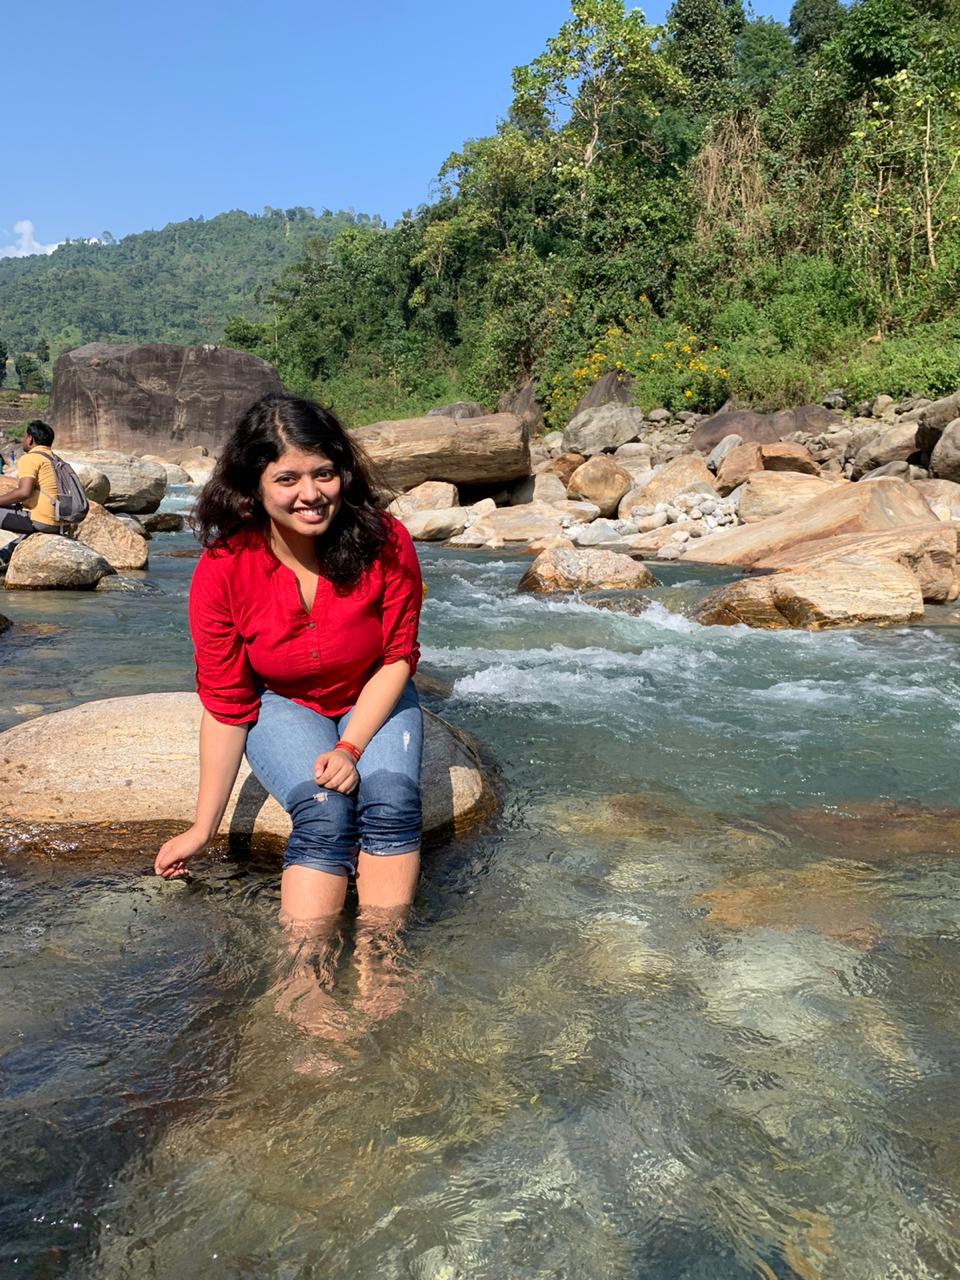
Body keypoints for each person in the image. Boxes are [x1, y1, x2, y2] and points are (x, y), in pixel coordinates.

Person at [154, 393, 425, 942]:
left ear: (343, 473)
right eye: (287, 479)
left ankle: (385, 961)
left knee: (392, 800)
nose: (311, 495)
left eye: (324, 474)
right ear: (252, 486)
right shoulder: (224, 567)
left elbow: (397, 655)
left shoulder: (385, 541)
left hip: (375, 690)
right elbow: (228, 703)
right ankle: (305, 976)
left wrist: (351, 747)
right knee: (324, 810)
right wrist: (202, 827)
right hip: (284, 699)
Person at [0, 420, 66, 538]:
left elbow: (24, 492)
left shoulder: (31, 458)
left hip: (41, 521)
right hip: (59, 522)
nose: (23, 440)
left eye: (24, 437)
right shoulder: (56, 459)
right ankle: (8, 553)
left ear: (30, 439)